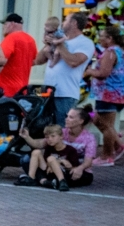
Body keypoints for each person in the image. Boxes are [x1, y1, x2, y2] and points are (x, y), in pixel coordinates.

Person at [34, 11, 96, 125]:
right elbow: (38, 60)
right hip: (48, 92)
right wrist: (48, 44)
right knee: (46, 130)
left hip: (66, 94)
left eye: (65, 20)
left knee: (62, 130)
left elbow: (73, 61)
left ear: (74, 23)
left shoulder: (85, 43)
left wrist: (59, 44)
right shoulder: (59, 39)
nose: (62, 23)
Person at [84, 26, 124, 164]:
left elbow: (103, 73)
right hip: (114, 93)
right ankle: (118, 146)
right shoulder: (119, 51)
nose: (99, 39)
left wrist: (90, 71)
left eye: (102, 36)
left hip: (108, 93)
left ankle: (106, 156)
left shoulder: (111, 52)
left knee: (107, 125)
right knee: (97, 119)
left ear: (110, 38)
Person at [16, 123, 84, 190]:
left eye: (53, 136)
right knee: (36, 152)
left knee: (51, 158)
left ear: (61, 136)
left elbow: (73, 167)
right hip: (49, 171)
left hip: (63, 172)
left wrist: (59, 162)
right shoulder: (49, 148)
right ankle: (31, 178)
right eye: (47, 137)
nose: (50, 139)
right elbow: (46, 162)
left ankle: (62, 182)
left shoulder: (70, 150)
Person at [0, 13, 37, 97]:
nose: (3, 27)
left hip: (7, 90)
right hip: (23, 90)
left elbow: (0, 60)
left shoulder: (10, 38)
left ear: (12, 24)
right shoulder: (30, 40)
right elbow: (35, 61)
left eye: (5, 24)